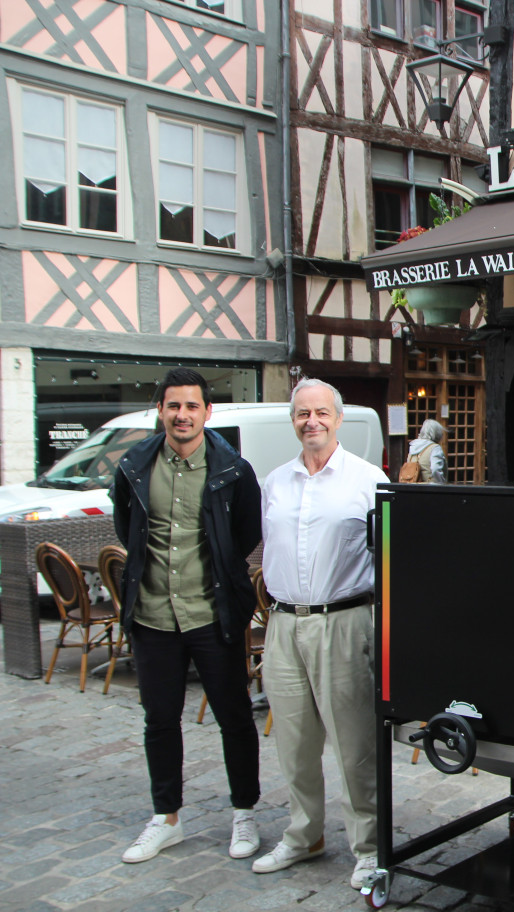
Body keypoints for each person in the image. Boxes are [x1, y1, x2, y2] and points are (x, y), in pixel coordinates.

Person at [110, 367, 262, 864]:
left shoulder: (232, 471)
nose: (182, 415)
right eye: (174, 405)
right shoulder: (134, 465)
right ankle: (166, 818)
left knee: (234, 718)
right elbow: (127, 527)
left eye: (192, 406)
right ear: (160, 410)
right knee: (160, 721)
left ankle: (244, 813)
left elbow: (243, 537)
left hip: (211, 614)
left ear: (207, 412)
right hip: (153, 615)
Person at [252, 379, 389, 891]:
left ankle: (371, 847)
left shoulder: (367, 479)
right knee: (294, 742)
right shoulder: (276, 481)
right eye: (302, 413)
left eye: (321, 413)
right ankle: (304, 834)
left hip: (345, 620)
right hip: (283, 623)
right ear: (293, 420)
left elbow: (393, 557)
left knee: (354, 745)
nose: (312, 421)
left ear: (338, 418)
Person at [403, 418, 447, 482]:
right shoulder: (435, 448)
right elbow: (435, 469)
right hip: (430, 488)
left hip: (413, 487)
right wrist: (441, 483)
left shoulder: (413, 446)